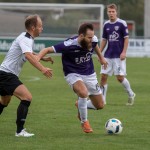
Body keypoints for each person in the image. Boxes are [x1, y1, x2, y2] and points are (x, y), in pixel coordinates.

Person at [37, 23, 107, 133]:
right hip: (73, 73)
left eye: (92, 37)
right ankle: (84, 122)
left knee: (100, 105)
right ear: (81, 36)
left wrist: (101, 58)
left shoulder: (93, 39)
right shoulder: (68, 44)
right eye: (89, 37)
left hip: (90, 74)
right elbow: (46, 50)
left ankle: (80, 104)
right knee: (83, 93)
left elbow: (95, 44)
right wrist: (37, 60)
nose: (91, 39)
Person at [0, 14, 53, 137]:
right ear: (33, 27)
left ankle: (20, 130)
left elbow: (29, 53)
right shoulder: (26, 39)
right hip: (7, 75)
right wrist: (43, 69)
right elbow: (28, 56)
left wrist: (42, 58)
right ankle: (20, 131)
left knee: (4, 102)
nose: (42, 28)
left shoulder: (26, 38)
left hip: (4, 74)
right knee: (27, 97)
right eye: (40, 26)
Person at [99, 3, 135, 105]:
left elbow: (126, 39)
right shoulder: (106, 24)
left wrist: (124, 52)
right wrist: (100, 54)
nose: (111, 13)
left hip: (119, 56)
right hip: (107, 55)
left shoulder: (122, 23)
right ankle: (103, 100)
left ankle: (131, 94)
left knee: (120, 78)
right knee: (103, 77)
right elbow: (104, 40)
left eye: (113, 12)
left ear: (116, 12)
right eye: (109, 12)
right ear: (107, 12)